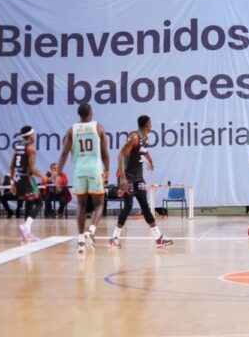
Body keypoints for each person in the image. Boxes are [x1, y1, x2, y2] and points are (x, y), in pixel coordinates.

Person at [110, 115, 173, 249]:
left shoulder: (146, 138)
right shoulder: (134, 137)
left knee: (145, 205)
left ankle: (158, 238)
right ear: (146, 125)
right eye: (150, 123)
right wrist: (122, 177)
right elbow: (121, 155)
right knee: (128, 206)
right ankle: (114, 238)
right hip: (127, 176)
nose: (151, 126)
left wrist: (150, 160)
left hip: (138, 178)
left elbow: (144, 151)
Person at [57, 103, 110, 254]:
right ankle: (91, 231)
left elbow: (64, 153)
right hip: (94, 170)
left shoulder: (72, 130)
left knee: (81, 206)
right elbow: (105, 152)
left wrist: (58, 173)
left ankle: (80, 239)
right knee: (99, 205)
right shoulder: (98, 128)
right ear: (91, 113)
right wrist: (107, 169)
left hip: (79, 170)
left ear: (79, 114)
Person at [10, 126, 45, 242]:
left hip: (18, 178)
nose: (35, 135)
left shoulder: (18, 146)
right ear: (30, 135)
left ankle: (26, 234)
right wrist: (43, 176)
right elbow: (32, 168)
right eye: (34, 134)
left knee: (29, 204)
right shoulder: (30, 148)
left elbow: (12, 166)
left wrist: (12, 182)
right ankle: (25, 227)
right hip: (27, 178)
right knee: (39, 203)